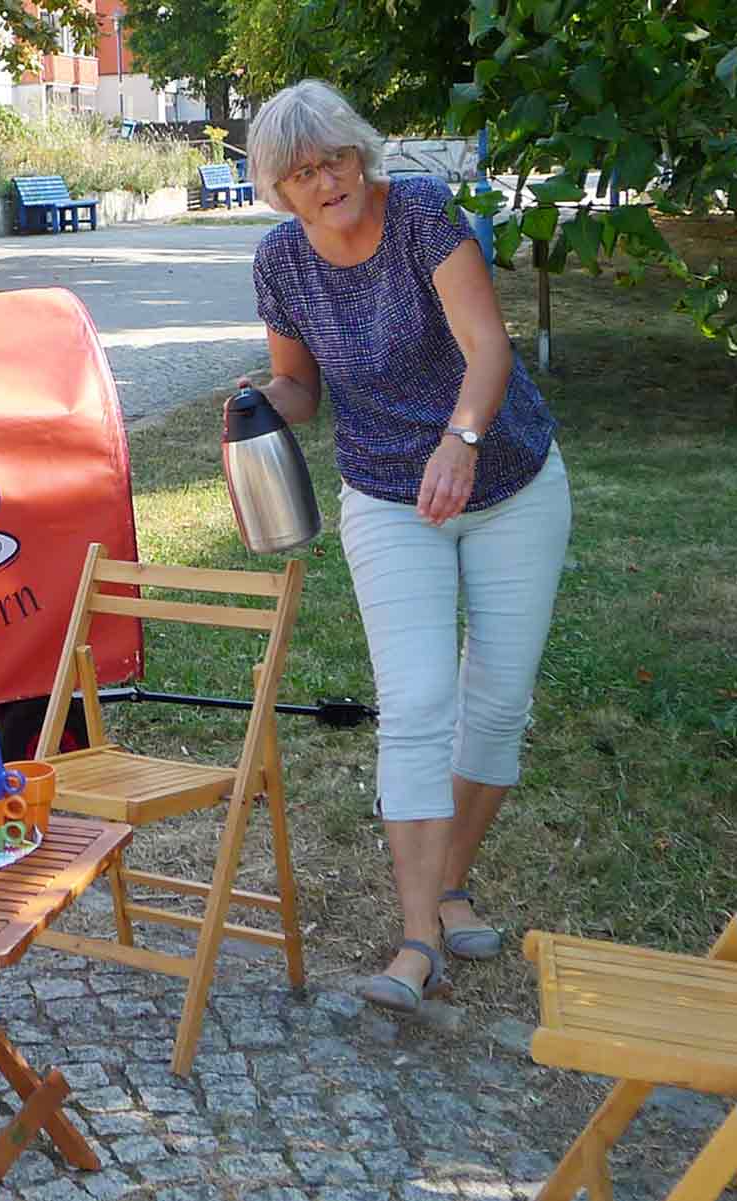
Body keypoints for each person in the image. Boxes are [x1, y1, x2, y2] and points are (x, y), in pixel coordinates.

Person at [242, 80, 571, 1014]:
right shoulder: (280, 264)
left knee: (498, 701)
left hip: (508, 481)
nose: (327, 181)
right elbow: (300, 385)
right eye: (302, 172)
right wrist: (266, 400)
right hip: (388, 497)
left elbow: (488, 348)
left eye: (336, 159)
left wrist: (459, 440)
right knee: (419, 700)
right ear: (280, 186)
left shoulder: (424, 214)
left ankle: (452, 876)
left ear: (359, 155)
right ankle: (419, 933)